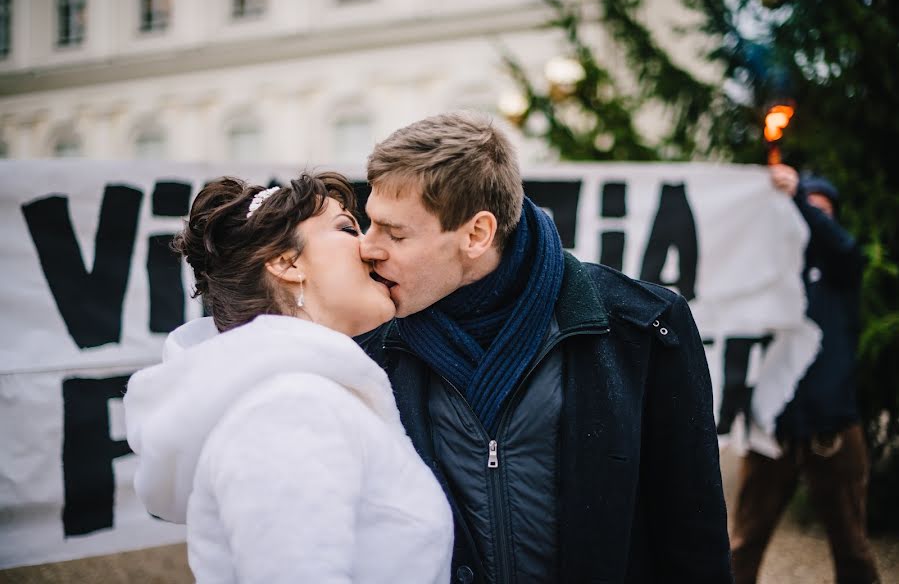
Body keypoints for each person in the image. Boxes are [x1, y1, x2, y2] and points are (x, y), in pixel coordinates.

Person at [357, 111, 732, 583]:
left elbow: (692, 533)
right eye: (369, 224)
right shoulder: (367, 342)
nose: (368, 248)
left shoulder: (645, 327)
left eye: (394, 233)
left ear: (476, 234)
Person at [124, 172, 453, 583]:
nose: (370, 246)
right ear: (287, 262)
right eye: (347, 228)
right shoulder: (289, 411)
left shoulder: (307, 397)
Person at [729, 164, 880, 583]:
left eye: (822, 209)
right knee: (744, 543)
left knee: (851, 545)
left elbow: (844, 248)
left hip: (832, 428)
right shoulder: (768, 272)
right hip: (771, 429)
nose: (812, 216)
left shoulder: (841, 270)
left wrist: (798, 197)